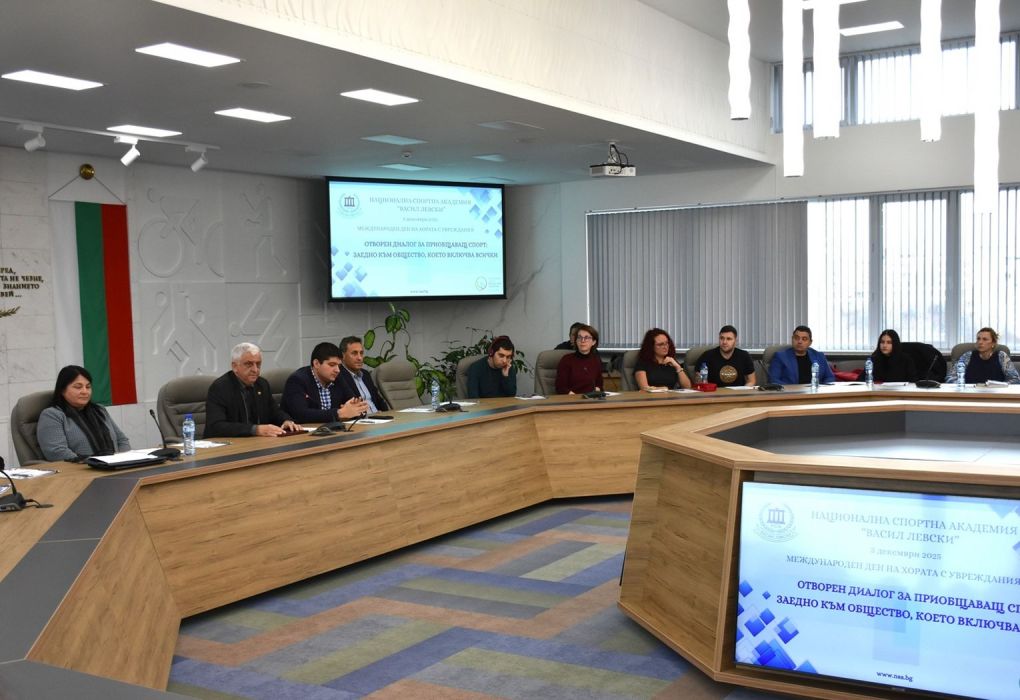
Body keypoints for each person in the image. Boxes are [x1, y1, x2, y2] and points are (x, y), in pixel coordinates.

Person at [204, 342, 301, 437]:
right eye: (249, 364)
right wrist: (255, 430)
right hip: (230, 443)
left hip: (258, 442)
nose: (255, 370)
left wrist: (286, 421)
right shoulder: (220, 387)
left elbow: (275, 412)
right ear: (235, 366)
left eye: (258, 364)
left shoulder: (262, 384)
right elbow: (216, 426)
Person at [37, 365, 131, 461]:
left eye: (88, 387)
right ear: (62, 390)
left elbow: (122, 440)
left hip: (115, 466)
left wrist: (122, 460)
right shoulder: (52, 415)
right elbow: (56, 452)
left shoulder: (99, 410)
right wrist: (96, 463)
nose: (85, 391)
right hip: (81, 468)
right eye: (78, 387)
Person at [281, 342, 368, 423]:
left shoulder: (338, 378)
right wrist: (339, 413)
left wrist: (356, 410)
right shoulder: (297, 380)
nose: (337, 370)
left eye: (339, 365)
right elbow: (300, 414)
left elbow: (356, 405)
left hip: (332, 429)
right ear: (316, 364)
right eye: (332, 365)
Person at [945, 327, 1020, 384]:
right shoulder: (967, 356)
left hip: (996, 394)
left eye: (985, 339)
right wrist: (963, 386)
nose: (980, 342)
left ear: (993, 343)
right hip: (971, 394)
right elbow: (950, 377)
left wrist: (1002, 386)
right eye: (978, 339)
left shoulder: (1002, 356)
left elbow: (1015, 379)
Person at [336, 335, 390, 413]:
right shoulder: (338, 376)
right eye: (354, 353)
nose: (360, 358)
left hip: (379, 417)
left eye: (361, 353)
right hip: (362, 419)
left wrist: (386, 414)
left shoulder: (365, 374)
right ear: (343, 356)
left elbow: (379, 400)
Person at [769, 325, 836, 385]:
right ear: (792, 339)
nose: (800, 341)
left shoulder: (819, 356)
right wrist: (792, 390)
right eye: (796, 338)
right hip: (791, 393)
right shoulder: (780, 357)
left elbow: (830, 377)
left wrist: (820, 388)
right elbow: (773, 380)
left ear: (810, 342)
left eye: (804, 339)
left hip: (815, 393)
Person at [555, 323, 603, 394]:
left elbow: (599, 385)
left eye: (587, 337)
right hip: (572, 399)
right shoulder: (566, 360)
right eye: (579, 337)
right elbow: (560, 388)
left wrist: (597, 391)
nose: (582, 340)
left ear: (593, 342)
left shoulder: (596, 360)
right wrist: (575, 398)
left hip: (591, 398)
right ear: (576, 341)